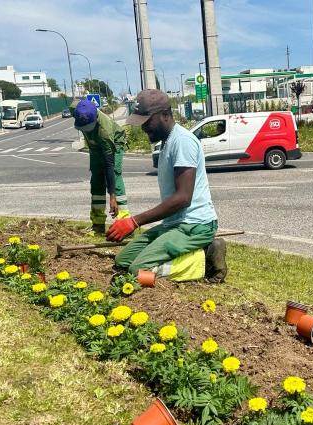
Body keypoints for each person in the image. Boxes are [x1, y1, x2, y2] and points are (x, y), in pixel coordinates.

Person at [106, 89, 227, 283]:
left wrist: (133, 222)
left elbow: (183, 198)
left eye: (146, 121)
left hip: (194, 226)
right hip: (173, 224)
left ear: (165, 115)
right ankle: (196, 253)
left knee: (136, 271)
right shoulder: (167, 142)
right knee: (123, 260)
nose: (143, 128)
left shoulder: (182, 142)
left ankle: (205, 258)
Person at [73, 99, 130, 233]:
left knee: (114, 177)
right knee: (97, 179)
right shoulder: (76, 110)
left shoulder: (105, 132)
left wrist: (112, 197)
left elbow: (109, 166)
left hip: (114, 143)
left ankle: (123, 224)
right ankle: (98, 225)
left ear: (96, 120)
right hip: (94, 147)